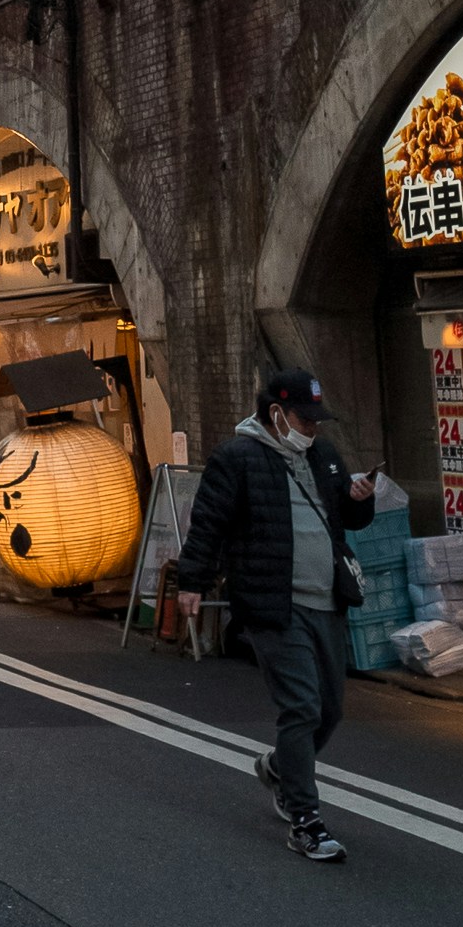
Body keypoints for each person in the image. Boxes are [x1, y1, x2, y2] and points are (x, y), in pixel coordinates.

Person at [175, 367, 377, 865]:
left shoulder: (324, 456)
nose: (313, 429)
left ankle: (282, 768)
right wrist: (191, 583)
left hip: (327, 599)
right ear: (276, 414)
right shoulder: (237, 458)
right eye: (304, 421)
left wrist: (360, 502)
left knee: (330, 711)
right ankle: (306, 820)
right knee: (303, 708)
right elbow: (208, 524)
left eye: (316, 421)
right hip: (273, 604)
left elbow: (343, 520)